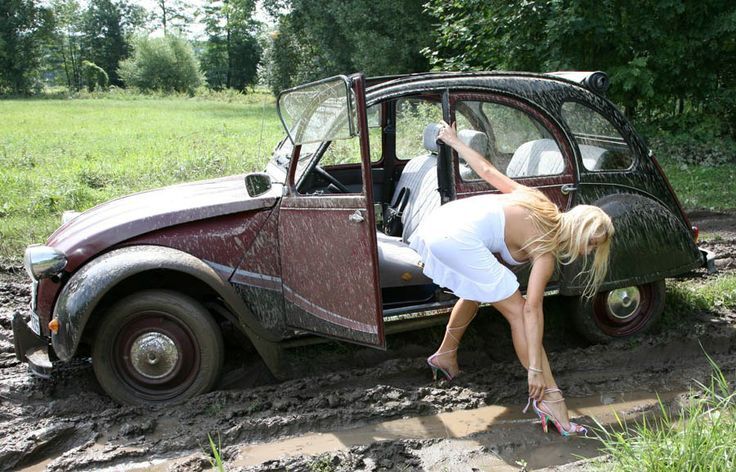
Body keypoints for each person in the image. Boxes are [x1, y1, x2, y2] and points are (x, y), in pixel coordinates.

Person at [409, 121, 614, 436]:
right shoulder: (545, 252)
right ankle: (550, 398)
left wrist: (456, 142)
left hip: (442, 220)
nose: (588, 253)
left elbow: (488, 172)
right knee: (517, 311)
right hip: (455, 236)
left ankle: (445, 355)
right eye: (592, 245)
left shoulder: (538, 200)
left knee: (481, 288)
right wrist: (535, 369)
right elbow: (531, 310)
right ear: (580, 233)